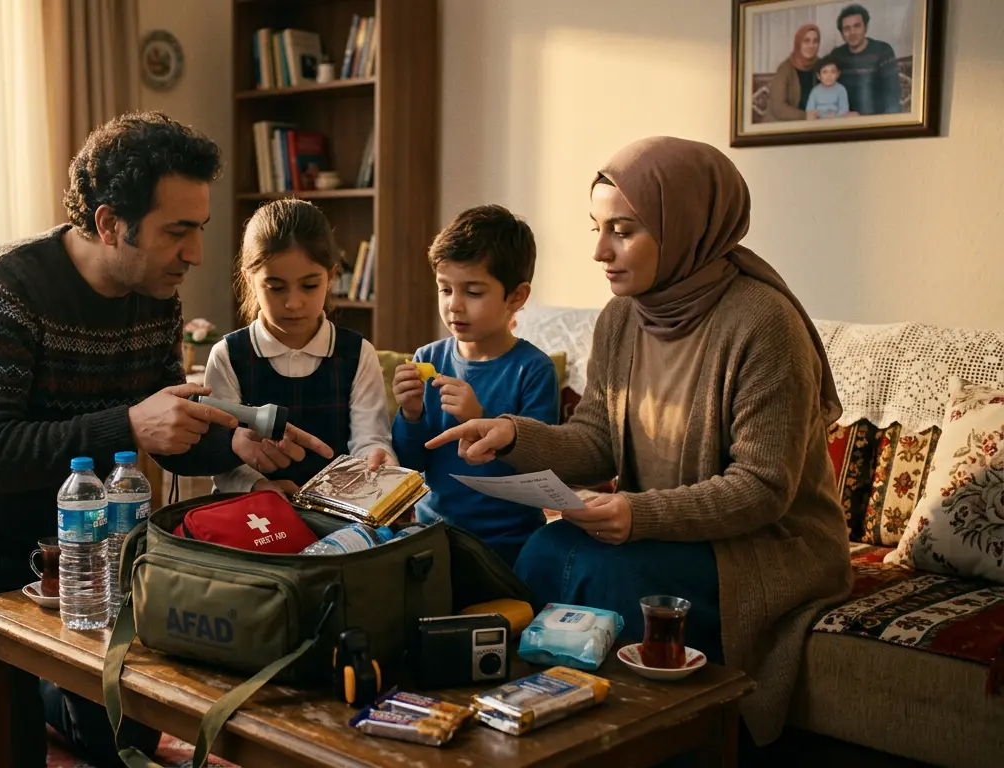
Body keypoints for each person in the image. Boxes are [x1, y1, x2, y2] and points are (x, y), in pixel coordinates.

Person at [0, 112, 329, 768]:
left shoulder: (154, 296)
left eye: (200, 229)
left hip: (84, 544)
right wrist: (130, 425)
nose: (195, 253)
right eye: (178, 231)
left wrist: (232, 448)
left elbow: (165, 429)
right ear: (110, 224)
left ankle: (33, 682)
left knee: (118, 739)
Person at [426, 137, 851, 748]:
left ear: (684, 228)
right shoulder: (624, 317)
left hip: (765, 546)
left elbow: (763, 488)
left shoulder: (763, 324)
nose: (599, 251)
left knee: (604, 574)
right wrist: (514, 435)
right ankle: (534, 731)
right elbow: (598, 437)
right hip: (666, 528)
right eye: (597, 228)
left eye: (622, 231)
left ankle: (631, 749)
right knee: (543, 552)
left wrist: (639, 511)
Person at [390, 205, 559, 566]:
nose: (455, 306)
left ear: (516, 297)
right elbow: (410, 463)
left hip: (508, 541)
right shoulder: (428, 358)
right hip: (433, 531)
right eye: (445, 289)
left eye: (474, 292)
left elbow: (537, 477)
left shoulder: (533, 370)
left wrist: (479, 419)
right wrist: (411, 413)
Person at [205, 198, 391, 494]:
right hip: (254, 511)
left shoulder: (357, 354)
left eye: (309, 285)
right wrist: (259, 485)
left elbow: (370, 439)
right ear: (249, 279)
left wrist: (377, 459)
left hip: (337, 508)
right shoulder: (229, 356)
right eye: (276, 287)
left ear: (331, 277)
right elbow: (223, 458)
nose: (293, 303)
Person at [828, 3, 902, 115]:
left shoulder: (883, 50)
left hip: (877, 120)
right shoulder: (836, 55)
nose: (852, 32)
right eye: (847, 29)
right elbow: (828, 91)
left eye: (857, 26)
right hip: (846, 120)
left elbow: (892, 93)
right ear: (842, 34)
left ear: (865, 27)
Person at [766, 23, 821, 121]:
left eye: (815, 41)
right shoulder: (785, 69)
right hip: (782, 124)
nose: (811, 46)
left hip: (811, 125)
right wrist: (805, 116)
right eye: (806, 41)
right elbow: (779, 108)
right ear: (798, 43)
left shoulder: (821, 66)